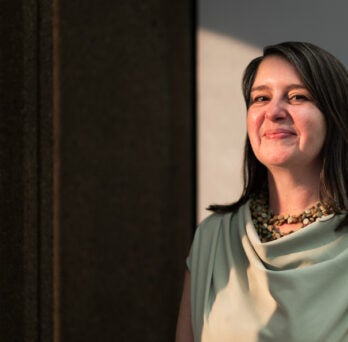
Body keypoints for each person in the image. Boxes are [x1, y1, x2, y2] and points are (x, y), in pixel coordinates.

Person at [175, 41, 348, 342]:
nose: (274, 111)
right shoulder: (212, 238)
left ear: (334, 116)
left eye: (297, 96)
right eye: (260, 98)